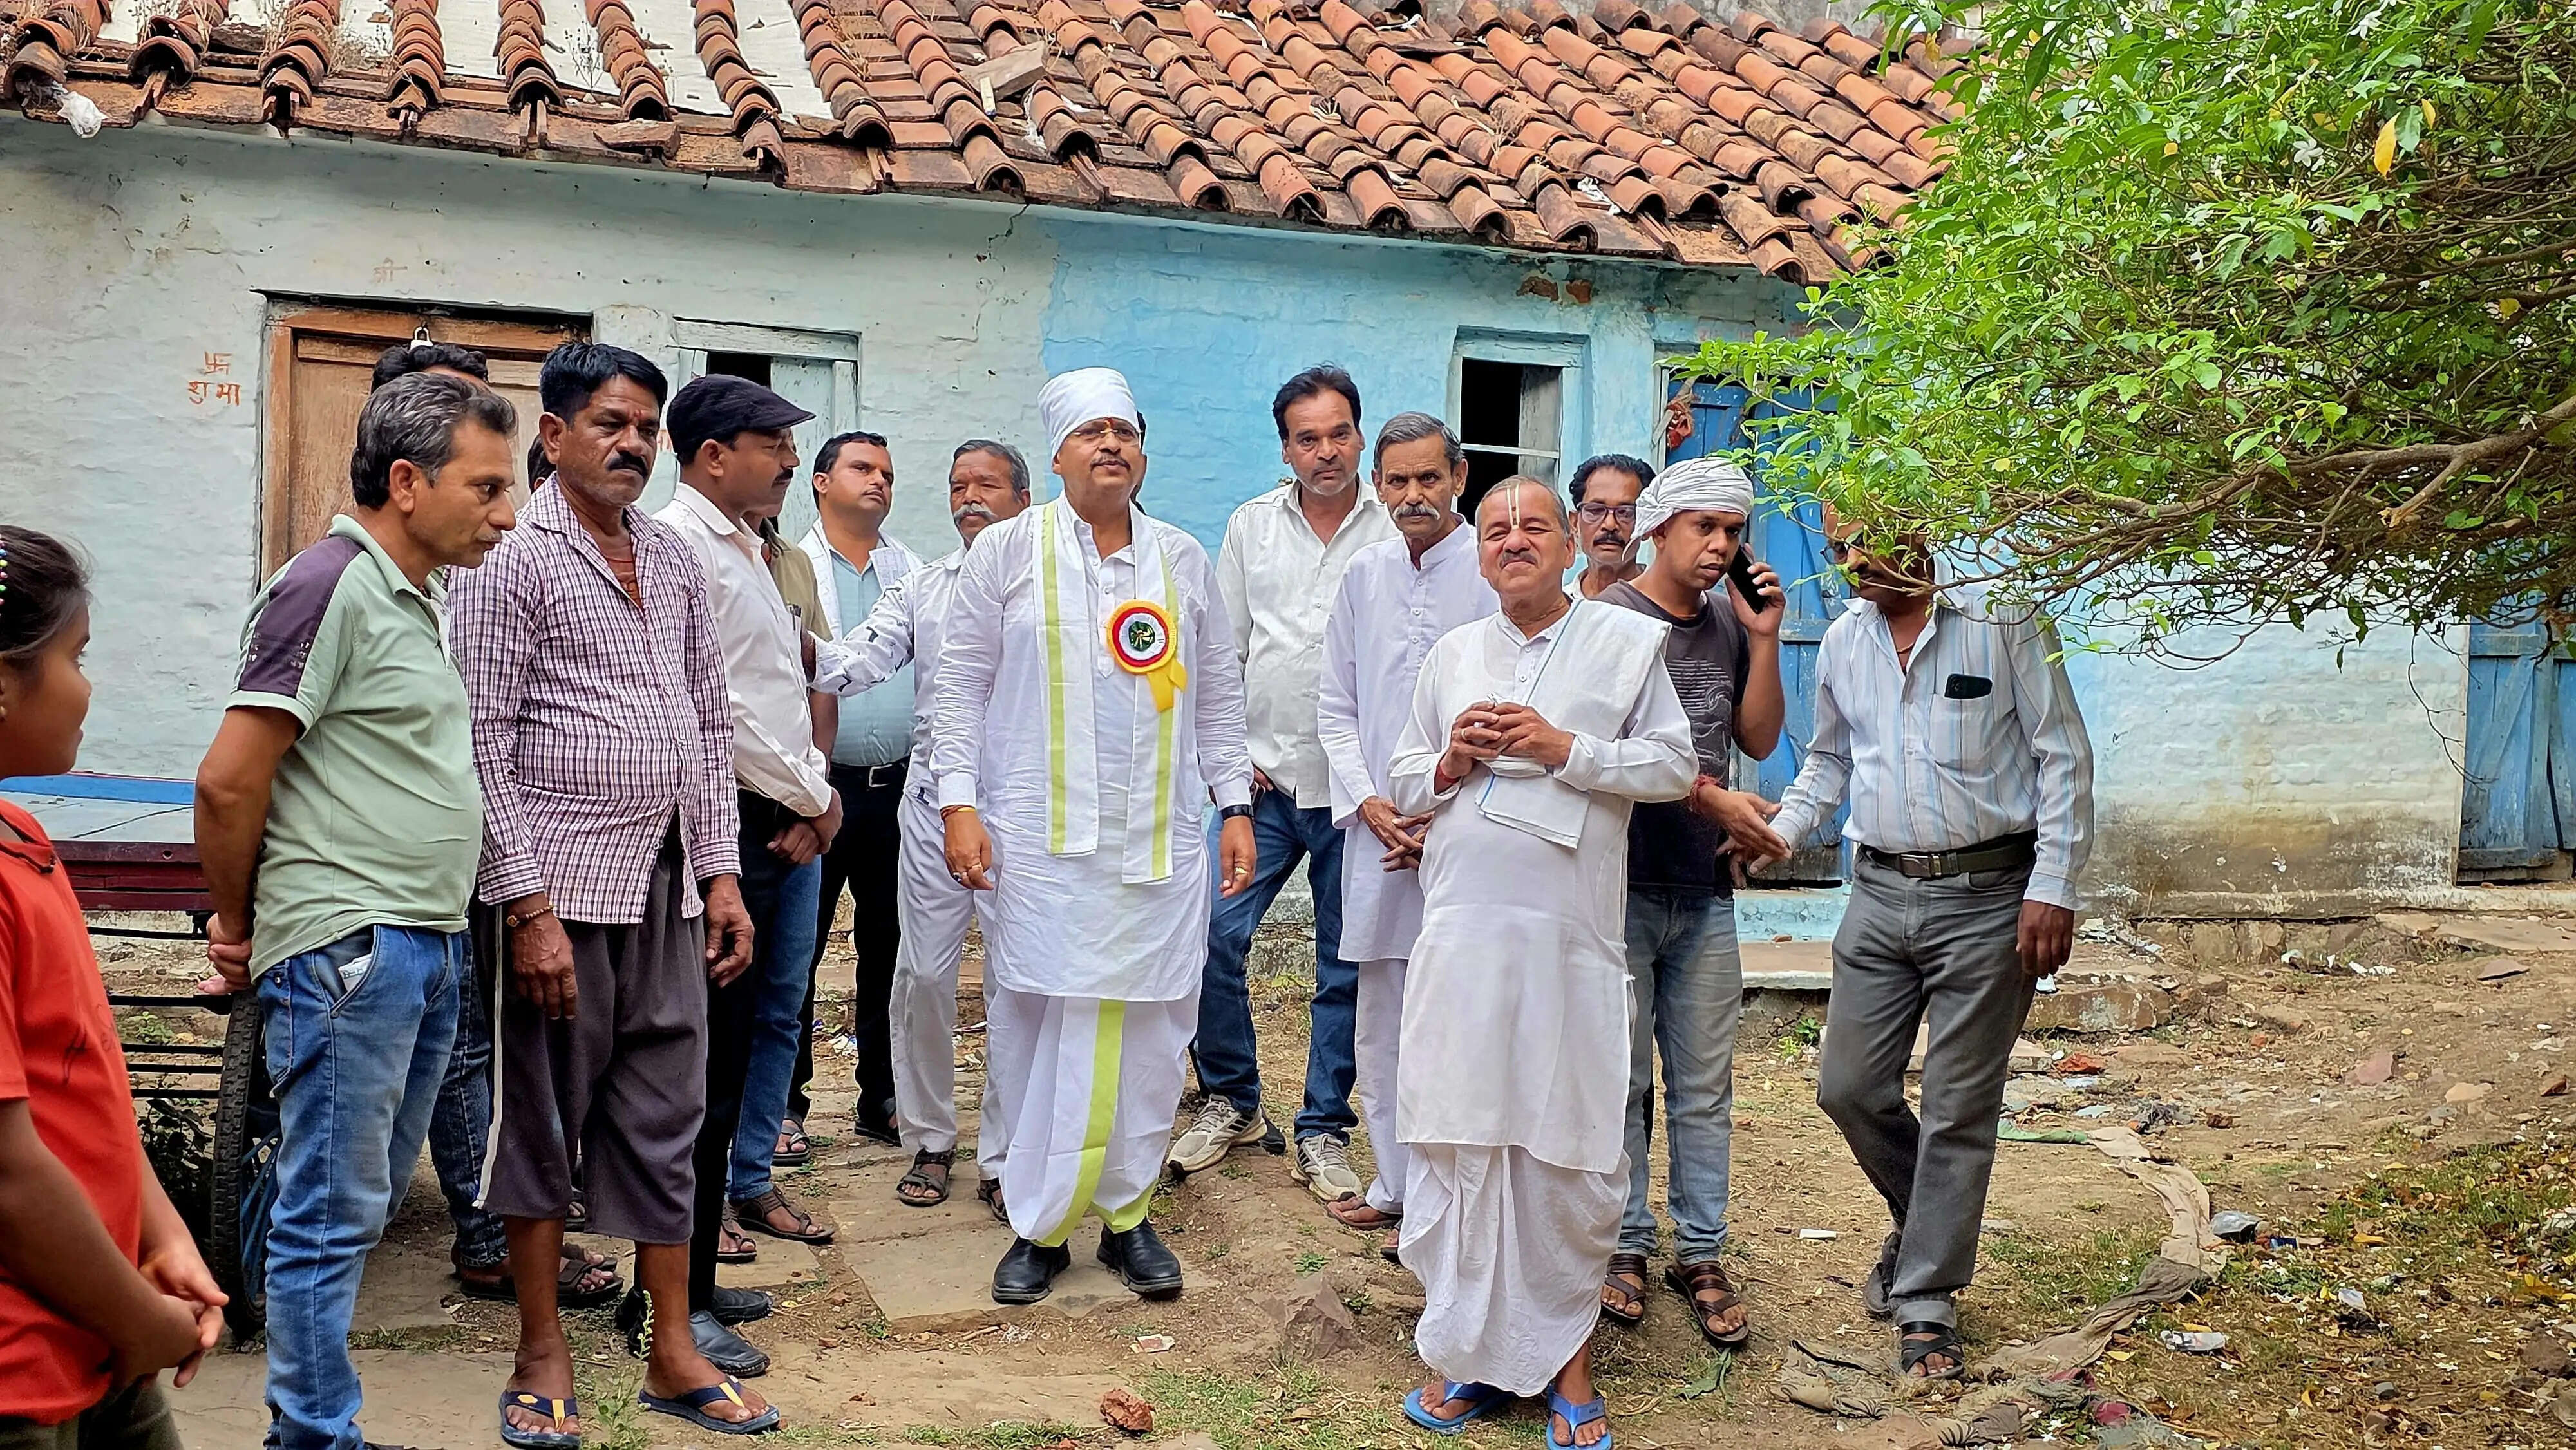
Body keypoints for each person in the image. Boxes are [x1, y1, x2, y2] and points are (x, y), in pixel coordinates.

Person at [450, 341, 773, 1439]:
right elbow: (482, 739)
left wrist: (721, 871)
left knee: (667, 1116)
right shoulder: (510, 556)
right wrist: (526, 906)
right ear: (553, 436)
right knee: (544, 1118)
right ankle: (543, 1354)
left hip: (669, 882)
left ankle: (672, 1346)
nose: (632, 444)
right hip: (560, 893)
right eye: (610, 424)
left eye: (645, 427)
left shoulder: (670, 557)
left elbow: (709, 721)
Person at [192, 374, 518, 1450]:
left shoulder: (410, 594)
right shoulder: (326, 584)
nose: (506, 512)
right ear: (407, 481)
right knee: (331, 1211)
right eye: (486, 486)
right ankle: (313, 1434)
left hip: (414, 943)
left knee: (346, 1200)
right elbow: (231, 781)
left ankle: (249, 1341)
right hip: (349, 945)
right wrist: (238, 930)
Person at [934, 368, 1255, 1305]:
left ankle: (1126, 1217)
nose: (1110, 445)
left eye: (1125, 431)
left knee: (1153, 1030)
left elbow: (1220, 697)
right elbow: (959, 684)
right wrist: (959, 801)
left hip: (1155, 851)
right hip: (1037, 844)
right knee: (1039, 1024)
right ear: (1058, 453)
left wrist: (1232, 804)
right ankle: (1038, 1223)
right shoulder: (1005, 551)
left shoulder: (1182, 560)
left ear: (1142, 452)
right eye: (1091, 432)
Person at [1388, 478, 1694, 1449]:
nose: (1513, 541)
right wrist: (1449, 763)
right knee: (1464, 1132)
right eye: (1495, 530)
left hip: (1566, 940)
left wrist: (1568, 749)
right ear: (1478, 553)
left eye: (1532, 527)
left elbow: (1674, 769)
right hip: (1462, 934)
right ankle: (1472, 1359)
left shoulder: (1622, 645)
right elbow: (1400, 775)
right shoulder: (1451, 655)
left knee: (1560, 1143)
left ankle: (1568, 1368)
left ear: (1570, 543)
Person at [1757, 510, 2094, 1380]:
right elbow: (1829, 762)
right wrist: (1781, 831)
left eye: (1868, 541)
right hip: (1878, 891)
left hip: (1992, 895)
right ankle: (1925, 1226)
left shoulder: (2003, 618)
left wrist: (2052, 886)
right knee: (1849, 1087)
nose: (1851, 563)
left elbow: (2061, 754)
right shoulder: (1842, 642)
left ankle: (1927, 1304)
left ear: (1919, 528)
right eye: (1837, 549)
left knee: (1957, 1104)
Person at [363, 343, 625, 1314]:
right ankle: (483, 1236)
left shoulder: (450, 562)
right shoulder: (359, 573)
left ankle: (489, 1228)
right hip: (393, 874)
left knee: (467, 1047)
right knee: (453, 1056)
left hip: (459, 854)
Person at [0, 528, 225, 1450]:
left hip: (101, 1329)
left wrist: (161, 1237)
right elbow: (8, 1175)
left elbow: (80, 1088)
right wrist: (138, 1316)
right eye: (75, 656)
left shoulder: (22, 842)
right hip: (23, 1370)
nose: (89, 686)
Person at [655, 377, 849, 1330]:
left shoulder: (750, 552)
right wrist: (817, 795)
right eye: (771, 444)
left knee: (737, 1056)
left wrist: (810, 797)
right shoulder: (685, 548)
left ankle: (690, 1285)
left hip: (771, 820)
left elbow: (787, 684)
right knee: (704, 1064)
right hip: (727, 822)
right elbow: (715, 707)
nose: (787, 462)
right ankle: (676, 1303)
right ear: (711, 455)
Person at [1177, 364, 1394, 1198]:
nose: (1326, 451)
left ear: (1359, 437)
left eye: (1340, 433)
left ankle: (1324, 1128)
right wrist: (1230, 763)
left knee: (1345, 963)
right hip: (1262, 787)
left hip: (1353, 793)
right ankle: (1233, 1099)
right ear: (1286, 447)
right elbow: (1222, 653)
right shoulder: (1250, 528)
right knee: (1209, 936)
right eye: (1309, 438)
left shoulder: (1388, 533)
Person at [1589, 457, 1790, 1349]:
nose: (1719, 546)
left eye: (1733, 531)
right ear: (1658, 529)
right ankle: (1625, 1244)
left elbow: (1757, 735)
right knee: (1623, 1082)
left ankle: (1699, 1251)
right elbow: (1602, 754)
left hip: (1704, 889)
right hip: (1618, 882)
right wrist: (1714, 800)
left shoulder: (1727, 624)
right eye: (1703, 528)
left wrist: (1769, 635)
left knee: (1704, 1085)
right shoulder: (1605, 620)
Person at [812, 441, 1032, 1212]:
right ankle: (932, 1138)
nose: (970, 497)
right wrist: (772, 634)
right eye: (957, 485)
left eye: (988, 485)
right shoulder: (924, 586)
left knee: (1017, 986)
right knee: (924, 975)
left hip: (1024, 813)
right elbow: (853, 664)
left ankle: (1006, 1156)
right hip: (936, 806)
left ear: (1024, 499)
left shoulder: (1050, 587)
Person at [1310, 413, 1494, 1255]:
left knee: (1458, 1018)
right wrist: (1372, 802)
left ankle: (1455, 1200)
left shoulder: (1493, 570)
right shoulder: (1363, 576)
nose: (1413, 496)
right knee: (1379, 1016)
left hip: (1468, 837)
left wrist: (1442, 815)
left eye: (1428, 479)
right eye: (1397, 481)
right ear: (1377, 487)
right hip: (1377, 834)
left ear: (1458, 475)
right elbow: (1335, 706)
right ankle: (1394, 1184)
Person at [791, 431, 924, 1151]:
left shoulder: (914, 568)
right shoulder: (792, 565)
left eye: (888, 471)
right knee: (798, 951)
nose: (879, 480)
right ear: (820, 481)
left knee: (891, 947)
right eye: (862, 468)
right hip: (818, 789)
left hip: (897, 790)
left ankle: (881, 1096)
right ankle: (788, 1104)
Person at [1567, 455, 1651, 599]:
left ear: (1647, 526)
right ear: (1574, 523)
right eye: (1596, 510)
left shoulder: (1665, 607)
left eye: (1625, 512)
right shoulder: (1560, 610)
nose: (1610, 525)